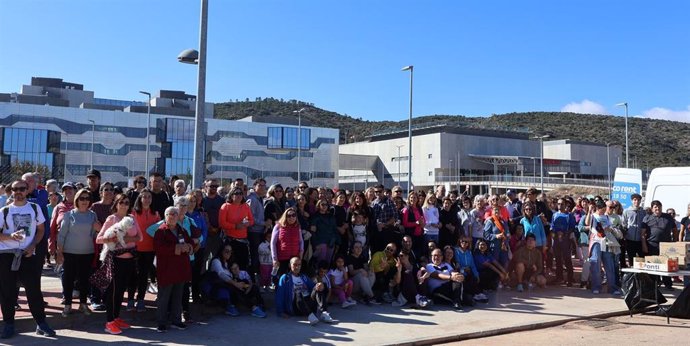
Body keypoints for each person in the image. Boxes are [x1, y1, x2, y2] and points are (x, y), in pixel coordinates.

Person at [0, 180, 55, 339]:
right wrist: (10, 236)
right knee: (7, 291)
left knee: (34, 290)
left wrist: (32, 245)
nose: (18, 191)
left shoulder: (34, 208)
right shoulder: (4, 211)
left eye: (22, 189)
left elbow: (40, 230)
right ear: (11, 190)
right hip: (7, 254)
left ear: (27, 191)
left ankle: (41, 323)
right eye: (15, 189)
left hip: (28, 253)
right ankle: (9, 324)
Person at [95, 193, 142, 335]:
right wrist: (115, 238)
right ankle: (109, 322)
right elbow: (99, 239)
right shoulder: (112, 218)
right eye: (121, 202)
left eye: (127, 202)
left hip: (129, 259)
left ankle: (116, 317)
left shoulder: (132, 218)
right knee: (112, 292)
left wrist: (126, 238)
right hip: (115, 259)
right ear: (116, 204)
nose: (124, 205)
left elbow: (140, 237)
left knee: (121, 291)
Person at [56, 188, 101, 317]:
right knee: (68, 279)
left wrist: (99, 229)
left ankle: (83, 304)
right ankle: (68, 305)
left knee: (84, 280)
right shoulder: (69, 215)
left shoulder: (92, 215)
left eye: (87, 198)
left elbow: (94, 234)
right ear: (77, 200)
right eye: (82, 198)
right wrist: (59, 252)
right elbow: (62, 235)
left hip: (87, 253)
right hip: (69, 253)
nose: (84, 201)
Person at [153, 207, 192, 332]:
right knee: (164, 297)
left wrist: (189, 247)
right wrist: (176, 248)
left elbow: (191, 243)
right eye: (171, 214)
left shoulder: (181, 230)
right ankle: (161, 322)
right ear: (166, 216)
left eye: (175, 214)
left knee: (178, 296)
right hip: (167, 269)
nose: (174, 216)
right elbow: (159, 249)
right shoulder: (161, 231)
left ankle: (176, 320)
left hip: (180, 269)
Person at [275, 257, 333, 325]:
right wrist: (280, 312)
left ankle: (324, 313)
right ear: (289, 265)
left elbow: (313, 287)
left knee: (318, 287)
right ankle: (310, 316)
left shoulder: (303, 277)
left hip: (308, 303)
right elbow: (280, 295)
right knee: (298, 293)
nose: (297, 267)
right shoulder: (285, 278)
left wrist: (320, 285)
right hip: (296, 306)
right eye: (295, 264)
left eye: (299, 265)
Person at [128, 188, 160, 312]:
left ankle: (140, 299)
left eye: (149, 197)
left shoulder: (156, 214)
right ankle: (130, 299)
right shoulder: (133, 213)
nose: (147, 199)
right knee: (133, 275)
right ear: (140, 199)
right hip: (134, 249)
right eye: (144, 197)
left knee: (143, 275)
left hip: (149, 250)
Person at [584, 198, 622, 295]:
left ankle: (612, 288)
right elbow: (587, 223)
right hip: (596, 242)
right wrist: (589, 211)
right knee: (595, 264)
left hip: (606, 242)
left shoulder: (606, 217)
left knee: (609, 265)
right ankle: (596, 286)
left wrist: (610, 229)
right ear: (598, 208)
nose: (605, 210)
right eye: (603, 208)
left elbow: (610, 227)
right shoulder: (593, 216)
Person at [641, 200, 677, 290]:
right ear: (652, 209)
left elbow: (675, 230)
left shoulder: (668, 217)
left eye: (659, 206)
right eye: (655, 207)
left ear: (661, 207)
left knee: (666, 265)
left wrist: (675, 242)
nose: (657, 208)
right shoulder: (647, 218)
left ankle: (668, 284)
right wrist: (644, 245)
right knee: (653, 265)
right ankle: (654, 284)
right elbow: (642, 234)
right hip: (652, 244)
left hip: (666, 245)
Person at [219, 187, 254, 271]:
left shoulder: (246, 206)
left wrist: (248, 223)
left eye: (240, 193)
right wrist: (235, 226)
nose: (239, 195)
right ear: (231, 195)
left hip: (243, 241)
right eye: (236, 193)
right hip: (230, 240)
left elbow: (252, 220)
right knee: (230, 265)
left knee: (243, 265)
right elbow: (222, 223)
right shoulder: (225, 206)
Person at [270, 207, 304, 280]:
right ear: (285, 216)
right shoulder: (278, 226)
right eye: (289, 216)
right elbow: (273, 243)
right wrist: (274, 259)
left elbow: (301, 241)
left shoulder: (297, 227)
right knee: (282, 279)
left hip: (294, 258)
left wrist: (301, 252)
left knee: (293, 279)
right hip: (282, 258)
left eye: (293, 215)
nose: (291, 217)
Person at [453, 236, 487, 303]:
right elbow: (457, 263)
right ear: (460, 242)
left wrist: (476, 274)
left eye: (466, 242)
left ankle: (477, 294)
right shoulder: (456, 251)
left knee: (476, 277)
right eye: (462, 241)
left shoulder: (469, 252)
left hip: (469, 272)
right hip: (461, 272)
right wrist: (463, 269)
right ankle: (475, 294)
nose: (464, 243)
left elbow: (472, 265)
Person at [550, 198, 576, 286]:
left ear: (565, 205)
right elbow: (552, 226)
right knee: (558, 259)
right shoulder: (555, 215)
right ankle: (559, 278)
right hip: (556, 240)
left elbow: (573, 227)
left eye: (562, 204)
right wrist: (554, 233)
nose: (560, 206)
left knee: (567, 259)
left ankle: (570, 279)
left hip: (566, 240)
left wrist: (564, 234)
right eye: (558, 204)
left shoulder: (569, 216)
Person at [310, 200, 339, 265]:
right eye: (322, 204)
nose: (324, 206)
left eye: (326, 204)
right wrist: (315, 244)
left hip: (331, 242)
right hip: (320, 242)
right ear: (318, 205)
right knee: (320, 262)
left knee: (328, 262)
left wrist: (336, 240)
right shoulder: (315, 216)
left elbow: (334, 229)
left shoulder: (331, 216)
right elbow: (312, 232)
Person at [622, 193, 647, 268]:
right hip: (630, 240)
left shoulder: (643, 212)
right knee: (631, 260)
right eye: (635, 200)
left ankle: (642, 278)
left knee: (642, 260)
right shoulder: (626, 211)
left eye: (638, 200)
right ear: (632, 201)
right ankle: (633, 277)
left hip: (640, 240)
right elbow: (624, 224)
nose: (636, 202)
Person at [401, 192, 426, 259]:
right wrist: (416, 223)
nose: (413, 199)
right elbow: (405, 224)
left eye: (415, 197)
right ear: (409, 199)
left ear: (417, 199)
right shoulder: (406, 210)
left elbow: (423, 219)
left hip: (420, 235)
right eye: (411, 197)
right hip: (411, 236)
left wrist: (423, 223)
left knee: (421, 254)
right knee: (412, 254)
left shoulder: (419, 209)